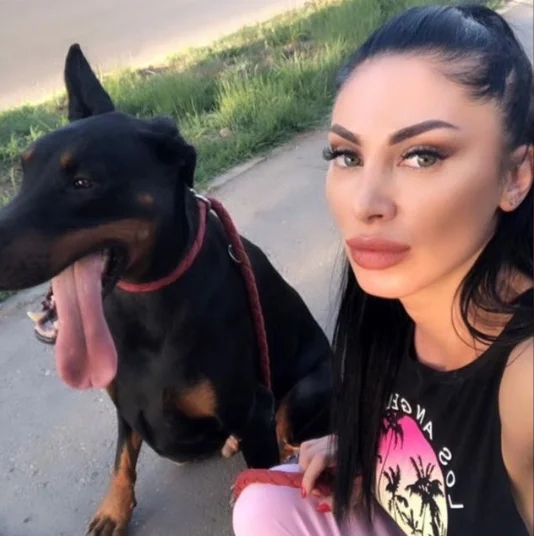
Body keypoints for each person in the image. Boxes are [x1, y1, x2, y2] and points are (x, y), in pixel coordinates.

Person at [232, 3, 533, 535]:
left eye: (422, 156)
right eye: (347, 156)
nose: (365, 203)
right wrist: (365, 446)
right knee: (262, 507)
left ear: (515, 176)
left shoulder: (524, 383)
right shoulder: (395, 304)